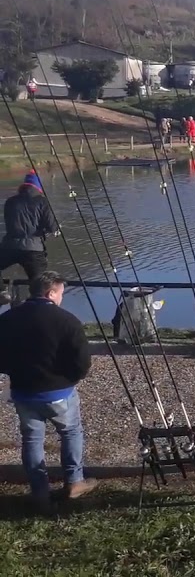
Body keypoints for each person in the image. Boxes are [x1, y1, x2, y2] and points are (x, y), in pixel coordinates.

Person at [0, 271, 96, 511]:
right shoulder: (67, 320)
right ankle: (74, 481)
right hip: (59, 392)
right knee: (71, 432)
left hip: (23, 391)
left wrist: (13, 373)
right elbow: (82, 361)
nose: (62, 297)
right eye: (61, 293)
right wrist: (71, 378)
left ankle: (40, 491)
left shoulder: (8, 318)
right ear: (50, 293)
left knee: (32, 440)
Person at [0, 171, 58, 303]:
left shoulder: (10, 202)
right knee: (39, 285)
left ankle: (2, 292)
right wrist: (53, 229)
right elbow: (51, 226)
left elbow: (9, 223)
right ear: (38, 187)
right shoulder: (42, 201)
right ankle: (36, 308)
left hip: (9, 246)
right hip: (34, 250)